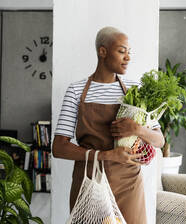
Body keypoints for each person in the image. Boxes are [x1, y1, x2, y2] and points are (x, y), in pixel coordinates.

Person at [52, 26, 165, 224]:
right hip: (89, 183)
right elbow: (58, 147)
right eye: (122, 51)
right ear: (102, 52)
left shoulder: (134, 90)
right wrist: (105, 155)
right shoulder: (76, 91)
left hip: (128, 184)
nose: (128, 58)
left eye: (130, 52)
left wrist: (136, 129)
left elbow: (159, 140)